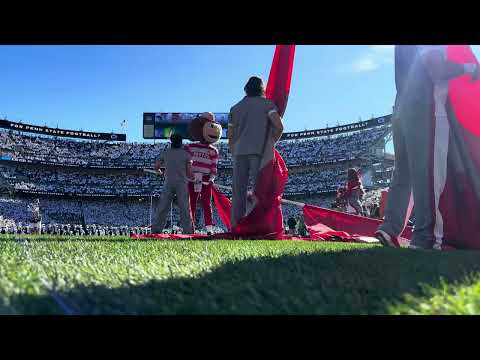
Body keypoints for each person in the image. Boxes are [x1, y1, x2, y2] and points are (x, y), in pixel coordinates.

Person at [376, 45, 480, 249]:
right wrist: (469, 68)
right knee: (428, 174)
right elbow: (437, 69)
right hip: (426, 106)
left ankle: (389, 229)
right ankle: (427, 235)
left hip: (401, 106)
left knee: (403, 173)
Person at [228, 76, 284, 227]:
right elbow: (279, 127)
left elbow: (231, 136)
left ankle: (236, 226)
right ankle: (258, 225)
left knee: (238, 192)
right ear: (262, 89)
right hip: (260, 152)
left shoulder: (235, 108)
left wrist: (234, 150)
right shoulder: (267, 104)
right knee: (259, 191)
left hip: (239, 152)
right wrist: (271, 143)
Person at [185, 112, 222, 235]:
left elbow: (213, 167)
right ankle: (190, 227)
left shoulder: (214, 150)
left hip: (205, 178)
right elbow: (184, 162)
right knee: (191, 203)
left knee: (207, 203)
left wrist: (211, 178)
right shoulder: (189, 147)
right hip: (192, 177)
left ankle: (209, 229)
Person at [151, 133, 194, 234]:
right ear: (181, 142)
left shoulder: (165, 152)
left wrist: (161, 173)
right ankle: (188, 231)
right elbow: (189, 173)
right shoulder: (186, 154)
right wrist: (195, 178)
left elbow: (156, 167)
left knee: (163, 207)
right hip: (182, 183)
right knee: (184, 208)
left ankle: (156, 230)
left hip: (168, 182)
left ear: (171, 142)